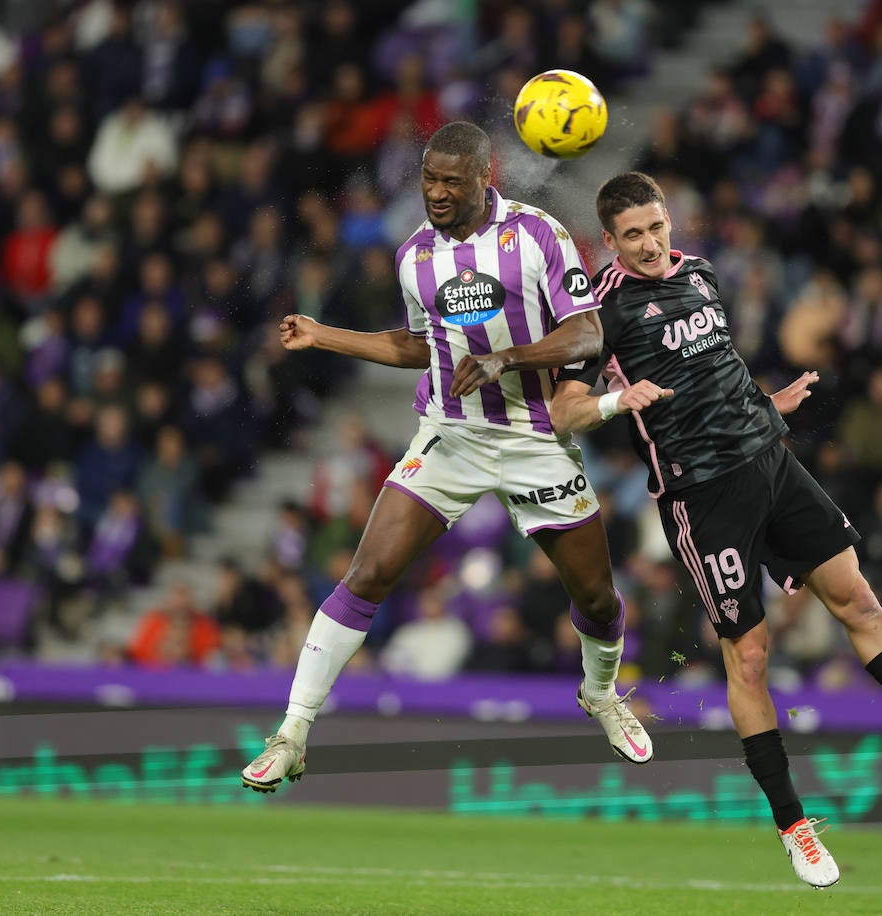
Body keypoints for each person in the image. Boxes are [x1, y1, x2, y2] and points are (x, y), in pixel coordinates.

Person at [551, 172, 882, 889]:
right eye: (633, 235)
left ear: (670, 221)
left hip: (771, 463)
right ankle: (795, 827)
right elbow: (566, 413)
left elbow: (718, 376)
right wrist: (618, 399)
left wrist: (770, 405)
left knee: (858, 600)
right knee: (751, 658)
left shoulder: (701, 273)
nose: (650, 244)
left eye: (656, 226)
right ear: (609, 243)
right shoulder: (601, 312)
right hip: (702, 497)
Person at [241, 123, 653, 791]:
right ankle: (292, 731)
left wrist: (504, 359)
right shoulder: (415, 257)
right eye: (429, 179)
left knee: (598, 601)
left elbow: (586, 331)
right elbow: (417, 345)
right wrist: (324, 337)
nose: (436, 192)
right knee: (368, 572)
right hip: (451, 436)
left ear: (483, 179)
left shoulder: (537, 235)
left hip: (532, 438)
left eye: (450, 182)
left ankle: (601, 694)